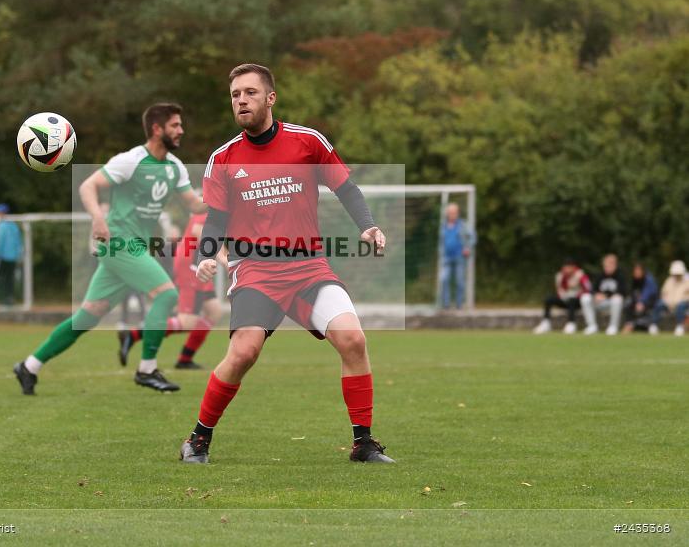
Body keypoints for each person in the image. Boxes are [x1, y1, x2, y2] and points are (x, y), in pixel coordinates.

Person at [179, 63, 394, 465]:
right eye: (235, 95)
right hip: (256, 271)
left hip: (309, 268)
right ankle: (198, 439)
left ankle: (363, 443)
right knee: (244, 353)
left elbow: (346, 188)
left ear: (270, 98)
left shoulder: (307, 142)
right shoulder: (223, 158)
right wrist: (206, 255)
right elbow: (216, 220)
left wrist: (367, 225)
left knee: (353, 339)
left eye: (250, 92)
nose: (241, 101)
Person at [13, 103, 206, 395]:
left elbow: (194, 204)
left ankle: (29, 366)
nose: (181, 130)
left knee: (87, 317)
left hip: (135, 247)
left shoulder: (174, 167)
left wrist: (230, 198)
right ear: (157, 129)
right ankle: (147, 370)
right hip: (119, 243)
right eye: (175, 125)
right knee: (167, 295)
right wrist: (98, 218)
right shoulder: (130, 161)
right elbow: (87, 187)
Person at [117, 211, 225, 370]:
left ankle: (185, 359)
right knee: (186, 322)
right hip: (191, 267)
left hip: (198, 264)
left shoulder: (221, 206)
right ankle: (134, 335)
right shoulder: (213, 205)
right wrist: (224, 253)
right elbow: (198, 231)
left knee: (214, 311)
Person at [533, 258, 592, 335]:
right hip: (565, 299)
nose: (566, 270)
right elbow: (559, 290)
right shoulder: (560, 276)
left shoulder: (580, 275)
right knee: (548, 299)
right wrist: (563, 295)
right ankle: (546, 323)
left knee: (572, 300)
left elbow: (588, 288)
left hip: (577, 301)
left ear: (573, 267)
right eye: (565, 267)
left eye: (568, 267)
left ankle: (571, 324)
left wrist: (577, 295)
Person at [439, 202, 476, 309]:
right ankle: (446, 304)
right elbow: (441, 241)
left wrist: (467, 248)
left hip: (459, 257)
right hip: (446, 257)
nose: (452, 214)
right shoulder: (443, 226)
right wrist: (441, 251)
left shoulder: (463, 225)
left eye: (454, 212)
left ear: (457, 213)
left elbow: (473, 237)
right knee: (444, 279)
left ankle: (459, 305)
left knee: (460, 281)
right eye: (450, 212)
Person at [580, 253, 626, 335]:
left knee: (617, 299)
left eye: (610, 265)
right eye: (606, 265)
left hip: (612, 304)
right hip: (599, 303)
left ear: (615, 265)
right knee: (585, 298)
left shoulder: (620, 276)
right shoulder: (599, 275)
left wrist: (606, 296)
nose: (607, 268)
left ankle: (613, 326)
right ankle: (592, 326)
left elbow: (623, 291)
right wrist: (596, 295)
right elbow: (592, 289)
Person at [0, 204, 23, 307]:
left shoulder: (1, 226)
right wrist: (19, 255)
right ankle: (9, 298)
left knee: (2, 278)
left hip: (3, 257)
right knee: (10, 278)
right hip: (14, 257)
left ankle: (4, 299)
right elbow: (19, 242)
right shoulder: (14, 226)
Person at [650, 260, 689, 336]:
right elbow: (663, 293)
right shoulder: (669, 281)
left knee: (681, 306)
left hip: (682, 304)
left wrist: (682, 300)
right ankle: (654, 325)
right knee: (659, 304)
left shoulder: (687, 282)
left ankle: (680, 326)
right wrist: (666, 301)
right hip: (668, 303)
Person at [622, 262, 658, 333]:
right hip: (637, 302)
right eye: (635, 271)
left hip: (649, 302)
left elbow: (649, 293)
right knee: (627, 303)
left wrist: (642, 302)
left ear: (643, 271)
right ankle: (629, 324)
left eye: (638, 271)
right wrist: (636, 302)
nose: (636, 273)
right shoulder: (634, 281)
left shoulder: (649, 280)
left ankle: (651, 325)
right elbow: (632, 294)